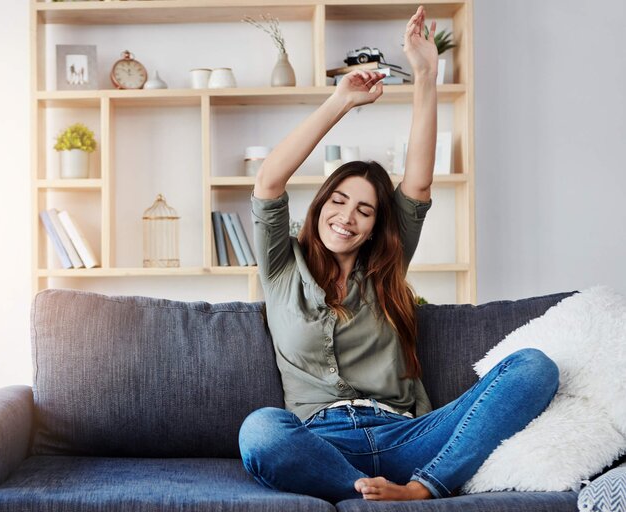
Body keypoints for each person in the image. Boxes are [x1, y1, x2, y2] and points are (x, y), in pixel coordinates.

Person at [238, 5, 559, 503]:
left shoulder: (386, 267)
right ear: (321, 206)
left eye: (364, 211)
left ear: (373, 229)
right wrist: (340, 101)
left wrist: (427, 74)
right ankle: (366, 493)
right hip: (321, 441)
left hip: (409, 436)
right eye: (338, 201)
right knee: (260, 430)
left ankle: (419, 489)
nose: (347, 217)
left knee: (534, 367)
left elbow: (419, 182)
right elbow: (268, 181)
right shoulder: (283, 266)